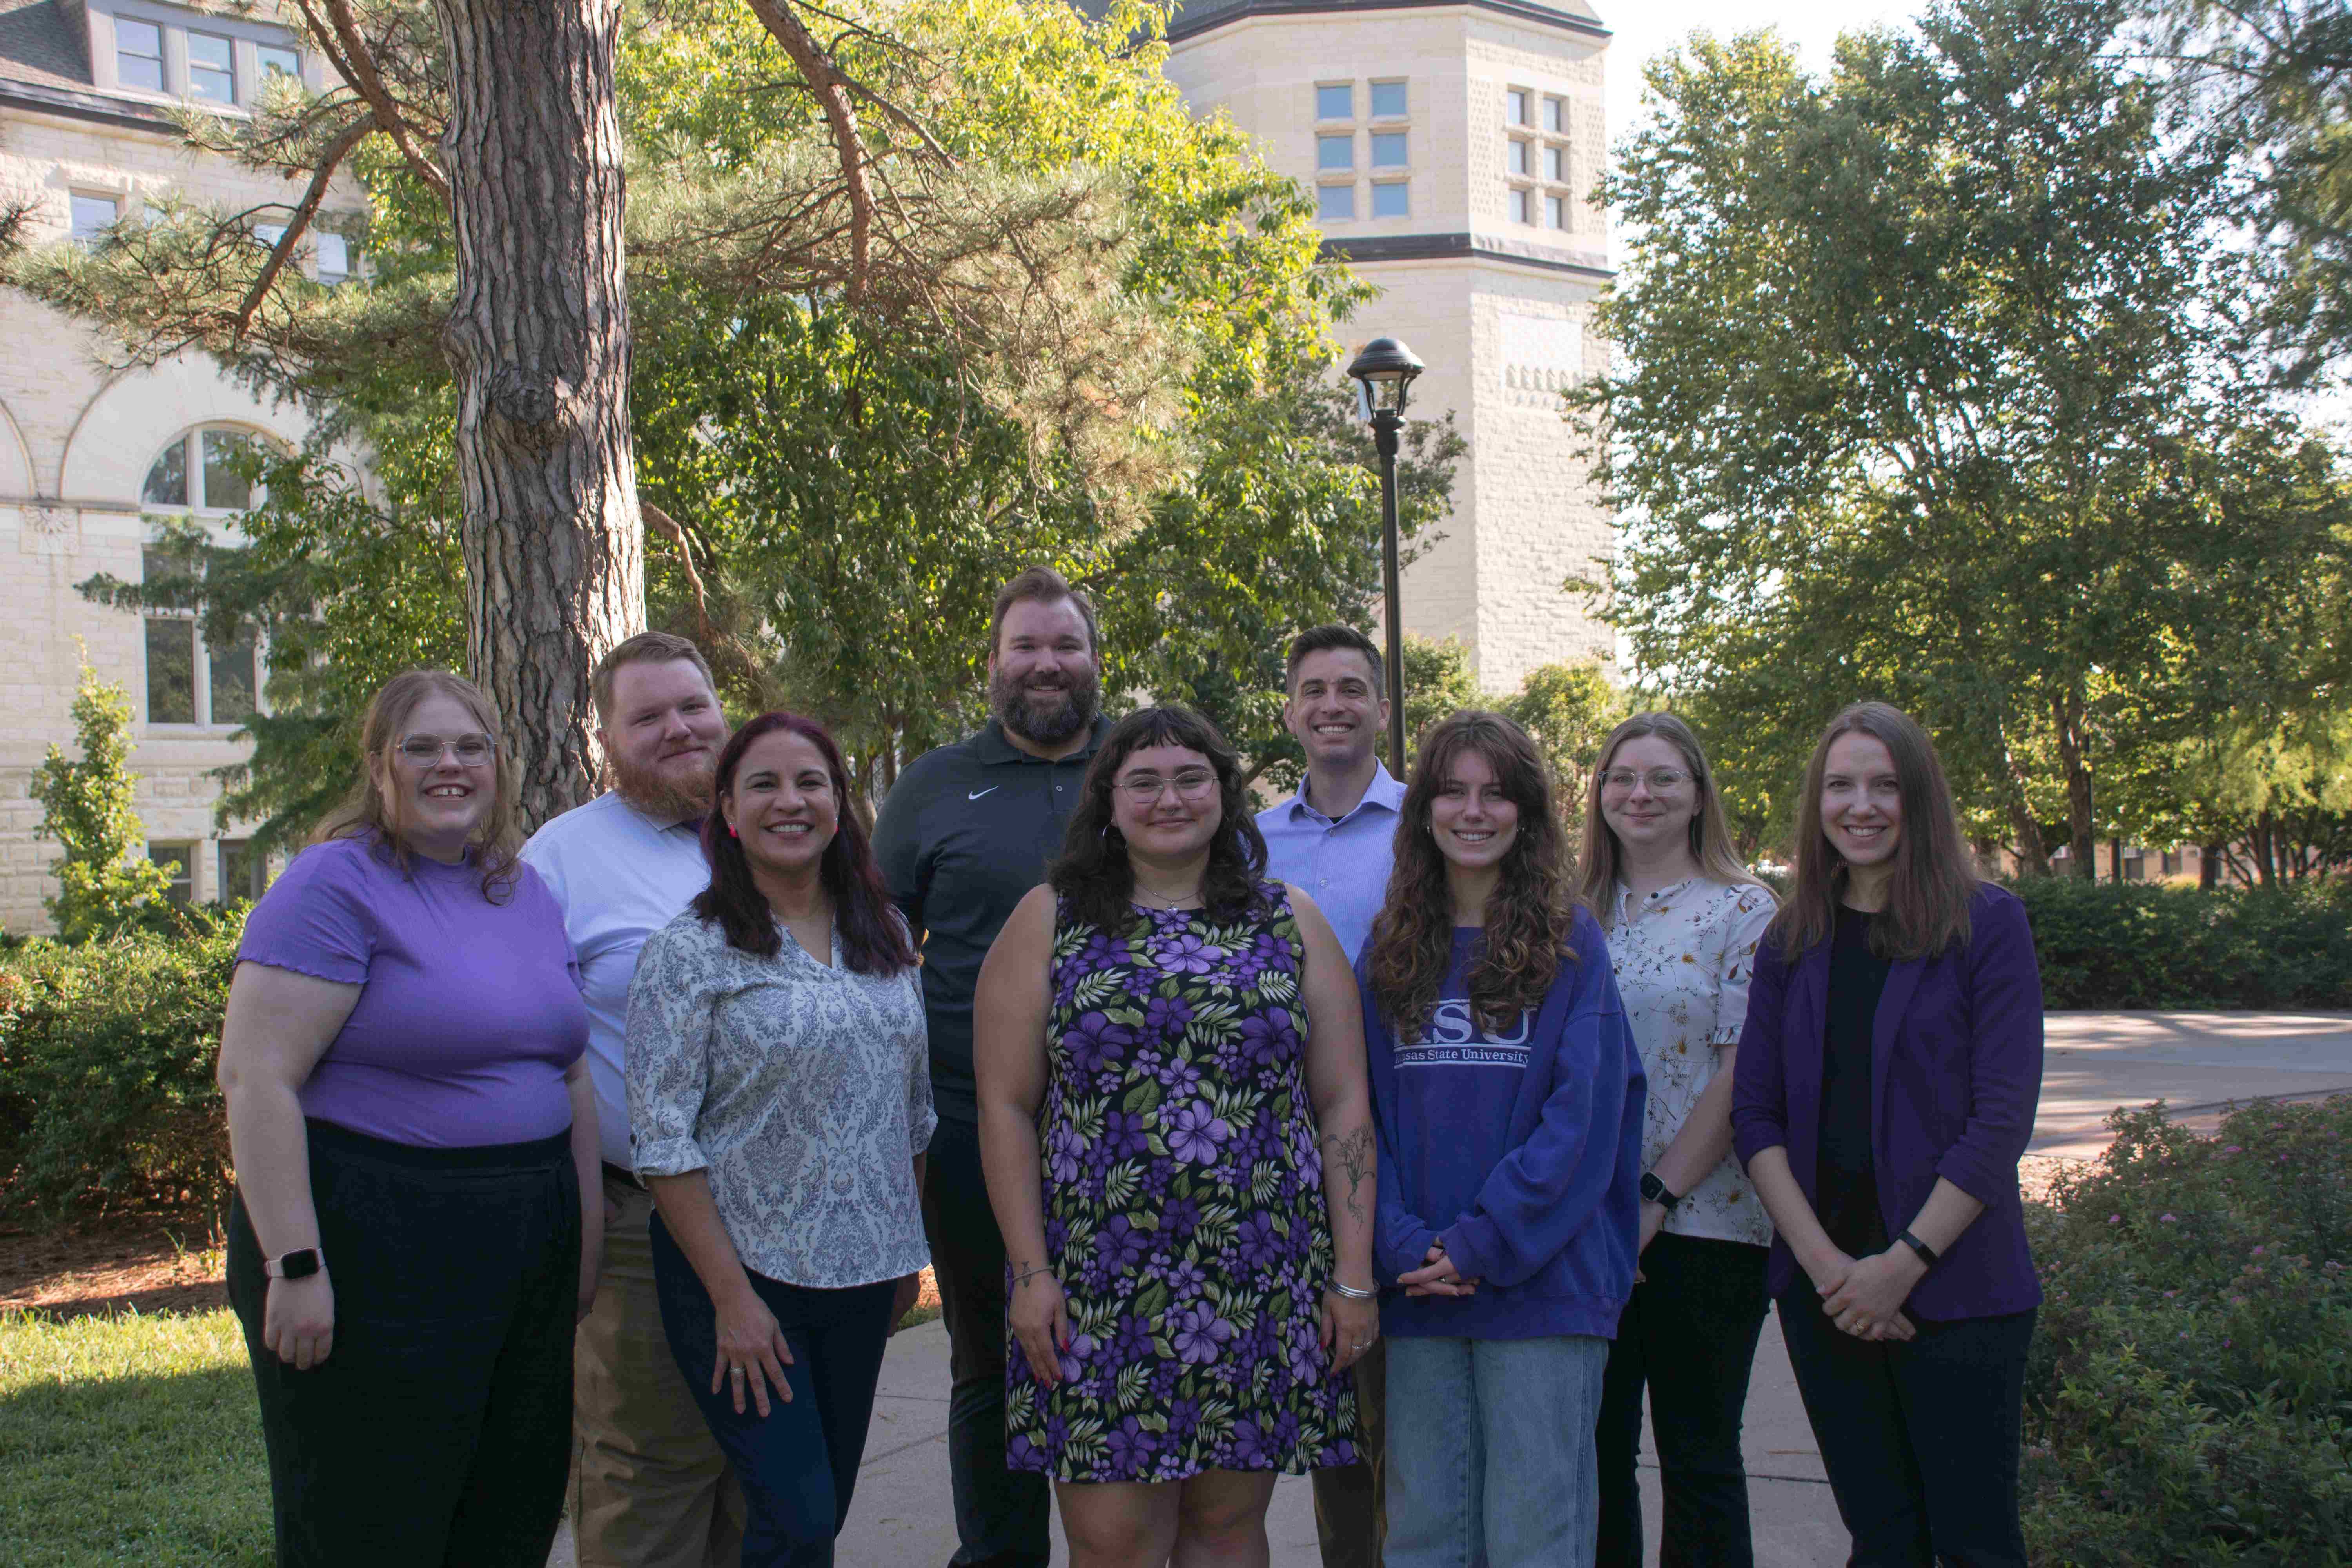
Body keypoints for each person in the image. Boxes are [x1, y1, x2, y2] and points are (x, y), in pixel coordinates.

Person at [973, 704, 1379, 1567]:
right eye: (1145, 780)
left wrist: (1351, 1275)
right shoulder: (1050, 919)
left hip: (1257, 1274)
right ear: (1108, 803)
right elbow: (1005, 1105)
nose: (1170, 797)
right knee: (1113, 1537)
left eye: (1191, 776)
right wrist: (1030, 1270)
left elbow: (1343, 1103)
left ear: (1224, 795)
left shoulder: (1288, 918)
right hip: (1097, 1278)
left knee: (1227, 1528)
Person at [217, 669, 597, 1566]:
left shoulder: (521, 891)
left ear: (500, 765)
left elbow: (569, 1073)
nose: (450, 766)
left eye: (472, 746)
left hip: (521, 1240)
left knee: (510, 1505)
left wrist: (576, 1249)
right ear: (380, 766)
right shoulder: (334, 884)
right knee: (372, 1517)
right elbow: (255, 1077)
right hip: (375, 1237)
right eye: (421, 747)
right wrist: (295, 1262)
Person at [1730, 701, 2045, 1568]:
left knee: (1976, 1542)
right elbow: (1755, 1115)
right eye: (1840, 784)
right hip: (1825, 1293)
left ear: (1919, 797)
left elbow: (2000, 1120)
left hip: (1959, 1290)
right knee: (1884, 1539)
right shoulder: (1791, 938)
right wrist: (1833, 1271)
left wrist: (1900, 1265)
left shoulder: (1988, 924)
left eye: (1883, 784)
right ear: (1816, 801)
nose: (1860, 805)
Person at [626, 711, 933, 1566]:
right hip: (741, 1275)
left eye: (811, 782)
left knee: (820, 1513)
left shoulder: (887, 937)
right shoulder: (690, 951)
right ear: (726, 809)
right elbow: (663, 1142)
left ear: (841, 802)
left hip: (862, 1274)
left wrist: (900, 1253)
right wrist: (732, 1300)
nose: (789, 800)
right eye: (763, 783)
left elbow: (911, 1108)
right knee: (793, 1517)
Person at [1362, 710, 1644, 1568]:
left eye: (1496, 792)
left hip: (1543, 1286)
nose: (1473, 810)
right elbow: (1356, 1113)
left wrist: (1484, 1238)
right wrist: (1402, 1240)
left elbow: (1584, 1117)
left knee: (1535, 1535)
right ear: (1424, 812)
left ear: (1528, 811)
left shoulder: (1572, 943)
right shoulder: (1389, 950)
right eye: (1452, 790)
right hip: (1420, 1287)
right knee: (1425, 1536)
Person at [874, 566, 1112, 1568]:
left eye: (1066, 644)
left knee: (1127, 1355)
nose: (1047, 663)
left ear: (1097, 661)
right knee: (992, 1359)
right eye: (1027, 645)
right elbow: (874, 946)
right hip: (972, 1123)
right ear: (994, 665)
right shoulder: (933, 785)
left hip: (1134, 1132)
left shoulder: (1149, 766)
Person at [521, 631, 745, 1568]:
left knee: (768, 1478)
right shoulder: (561, 861)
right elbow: (527, 1046)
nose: (679, 728)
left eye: (692, 705)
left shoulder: (784, 830)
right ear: (607, 736)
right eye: (647, 715)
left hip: (794, 1220)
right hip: (643, 1226)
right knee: (650, 1475)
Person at [1576, 713, 1778, 1568]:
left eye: (1664, 777)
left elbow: (1743, 1077)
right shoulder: (1571, 910)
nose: (1641, 793)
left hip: (1709, 1225)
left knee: (1699, 1459)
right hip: (1584, 1226)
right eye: (1623, 777)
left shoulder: (1745, 908)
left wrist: (1653, 1200)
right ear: (1600, 795)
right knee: (1595, 1460)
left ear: (1699, 794)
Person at [1253, 624, 1405, 1568]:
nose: (1333, 704)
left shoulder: (1429, 821)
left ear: (1383, 707)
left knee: (1410, 1393)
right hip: (1284, 1141)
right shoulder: (1252, 841)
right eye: (1314, 689)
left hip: (1408, 1125)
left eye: (1352, 687)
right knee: (1336, 1397)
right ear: (1290, 712)